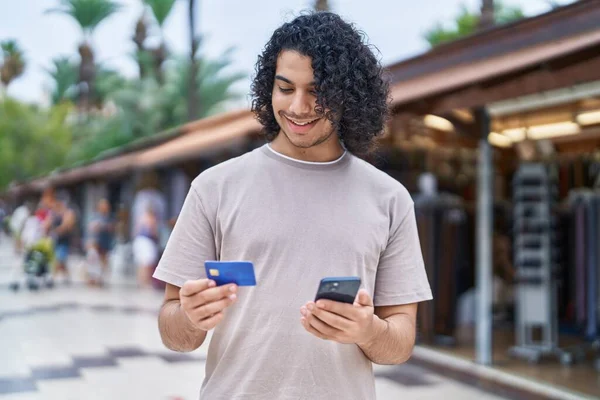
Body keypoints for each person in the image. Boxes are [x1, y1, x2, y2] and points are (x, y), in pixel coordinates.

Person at [153, 12, 432, 400]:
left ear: (348, 95)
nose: (299, 107)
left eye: (317, 91)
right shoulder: (214, 187)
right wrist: (190, 317)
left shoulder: (389, 198)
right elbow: (173, 331)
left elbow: (400, 342)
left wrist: (368, 331)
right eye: (285, 88)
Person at [49, 195, 76, 284]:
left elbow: (67, 225)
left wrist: (56, 230)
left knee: (59, 259)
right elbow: (48, 223)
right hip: (57, 240)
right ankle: (67, 278)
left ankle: (52, 278)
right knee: (62, 260)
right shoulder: (55, 213)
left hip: (64, 240)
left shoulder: (68, 213)